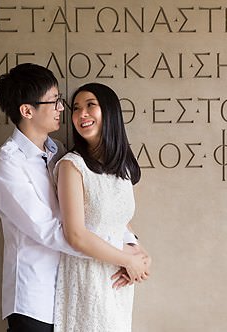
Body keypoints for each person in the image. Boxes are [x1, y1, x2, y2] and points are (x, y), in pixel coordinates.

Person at [0, 64, 147, 332]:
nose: (62, 108)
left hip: (74, 290)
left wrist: (132, 245)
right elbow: (51, 231)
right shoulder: (8, 164)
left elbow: (98, 211)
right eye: (54, 101)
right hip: (35, 299)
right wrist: (120, 256)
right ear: (27, 111)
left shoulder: (57, 151)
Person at [53, 83, 150, 331]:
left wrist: (139, 253)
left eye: (90, 106)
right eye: (76, 108)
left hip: (117, 280)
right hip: (87, 277)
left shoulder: (124, 167)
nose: (81, 114)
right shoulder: (71, 166)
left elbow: (119, 220)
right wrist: (128, 260)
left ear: (109, 112)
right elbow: (75, 235)